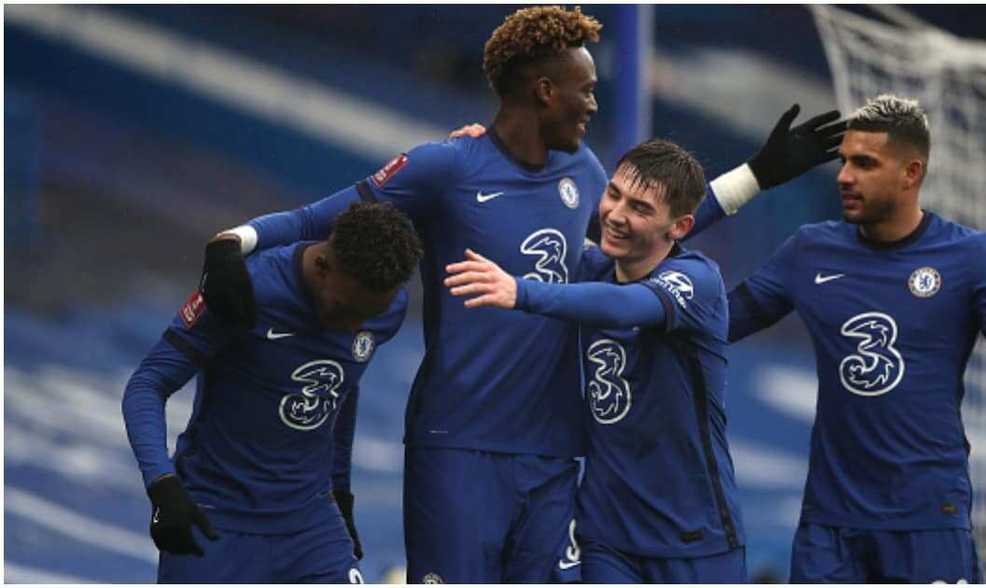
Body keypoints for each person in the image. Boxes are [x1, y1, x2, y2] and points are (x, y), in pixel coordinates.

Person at [195, 6, 844, 582]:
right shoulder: (445, 166)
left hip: (553, 457)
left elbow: (645, 237)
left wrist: (755, 176)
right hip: (458, 448)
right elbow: (324, 217)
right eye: (585, 91)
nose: (594, 104)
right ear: (544, 90)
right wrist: (238, 240)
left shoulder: (583, 171)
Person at [725, 94, 986, 582]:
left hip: (929, 524)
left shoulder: (971, 257)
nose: (845, 176)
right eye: (844, 160)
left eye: (864, 163)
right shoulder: (809, 251)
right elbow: (710, 323)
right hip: (830, 530)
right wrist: (745, 182)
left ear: (911, 173)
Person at [443, 139, 747, 583]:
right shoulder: (591, 267)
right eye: (613, 194)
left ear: (680, 227)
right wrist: (489, 148)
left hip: (697, 538)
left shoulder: (697, 281)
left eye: (640, 208)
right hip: (607, 537)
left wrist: (521, 292)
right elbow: (533, 207)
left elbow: (624, 307)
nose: (616, 214)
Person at [122, 202, 424, 583]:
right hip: (217, 518)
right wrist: (163, 486)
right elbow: (147, 384)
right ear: (322, 267)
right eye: (346, 310)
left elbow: (339, 387)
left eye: (367, 316)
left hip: (310, 523)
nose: (354, 327)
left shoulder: (381, 308)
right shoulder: (247, 288)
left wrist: (341, 494)